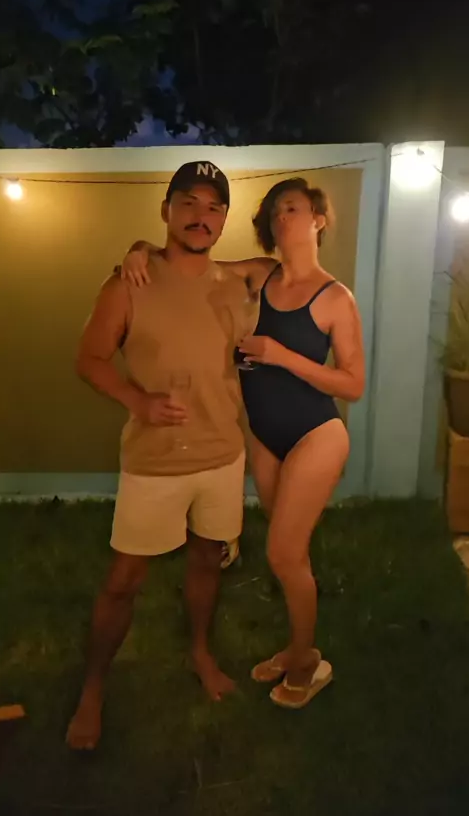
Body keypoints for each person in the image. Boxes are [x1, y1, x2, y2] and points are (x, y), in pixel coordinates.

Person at [122, 177, 365, 709]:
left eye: (292, 209)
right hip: (266, 437)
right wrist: (139, 249)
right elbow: (191, 263)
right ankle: (298, 646)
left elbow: (353, 384)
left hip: (316, 434)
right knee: (290, 555)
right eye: (274, 212)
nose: (281, 218)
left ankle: (308, 664)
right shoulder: (261, 274)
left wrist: (281, 355)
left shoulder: (334, 297)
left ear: (318, 219)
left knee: (283, 553)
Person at [67, 161, 254, 752]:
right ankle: (93, 689)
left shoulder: (238, 284)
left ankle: (199, 651)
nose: (202, 216)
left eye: (214, 207)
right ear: (167, 210)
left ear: (224, 219)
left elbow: (286, 270)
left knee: (206, 561)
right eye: (189, 203)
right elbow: (90, 358)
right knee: (124, 581)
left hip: (222, 456)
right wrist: (138, 401)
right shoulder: (130, 282)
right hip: (155, 462)